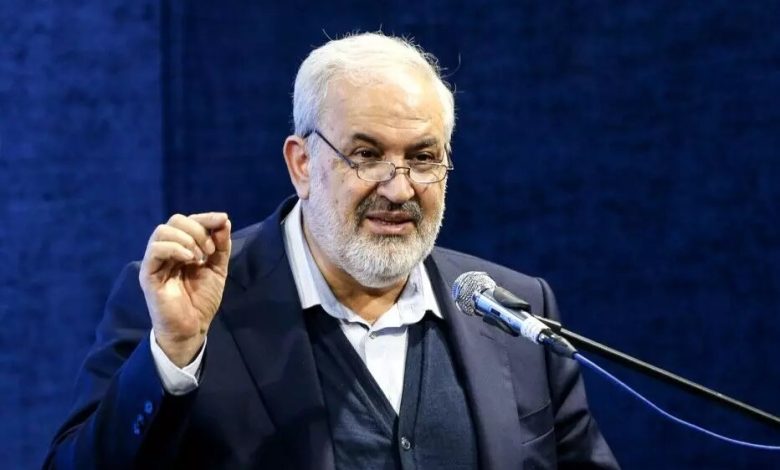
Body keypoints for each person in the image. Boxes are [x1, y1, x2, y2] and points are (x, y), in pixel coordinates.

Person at [46, 32, 619, 469]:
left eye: (422, 158)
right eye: (366, 155)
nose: (399, 189)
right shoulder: (188, 304)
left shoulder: (513, 311)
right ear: (301, 164)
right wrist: (172, 357)